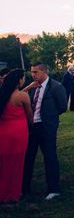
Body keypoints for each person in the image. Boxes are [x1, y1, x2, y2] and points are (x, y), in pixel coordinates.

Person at [22, 63, 67, 200]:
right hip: (32, 127)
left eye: (35, 72)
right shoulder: (32, 87)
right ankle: (24, 187)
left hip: (46, 127)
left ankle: (54, 188)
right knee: (28, 157)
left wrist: (49, 117)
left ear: (43, 72)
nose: (32, 75)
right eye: (32, 72)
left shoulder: (56, 87)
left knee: (50, 156)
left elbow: (62, 107)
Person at [0, 69, 32, 203]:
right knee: (17, 163)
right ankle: (13, 193)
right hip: (18, 133)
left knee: (3, 163)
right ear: (19, 80)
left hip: (3, 132)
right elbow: (30, 116)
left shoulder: (2, 94)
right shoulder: (22, 96)